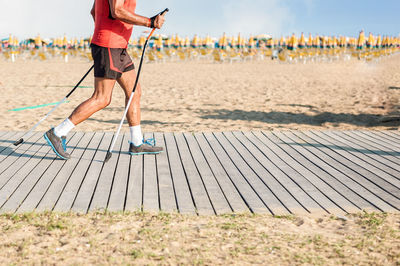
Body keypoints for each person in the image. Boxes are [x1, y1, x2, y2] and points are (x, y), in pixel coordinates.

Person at [44, 0, 166, 160]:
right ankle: (58, 132)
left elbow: (94, 11)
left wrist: (106, 33)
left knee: (134, 92)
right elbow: (117, 11)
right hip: (110, 46)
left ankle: (137, 142)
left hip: (117, 47)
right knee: (101, 98)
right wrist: (149, 22)